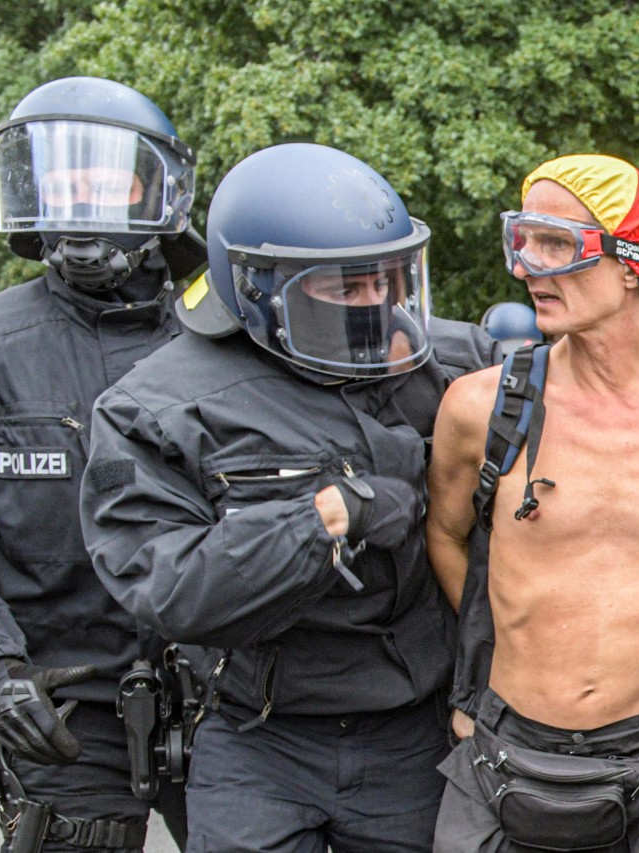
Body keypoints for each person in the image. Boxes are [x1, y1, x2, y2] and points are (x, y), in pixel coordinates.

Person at [79, 142, 494, 852]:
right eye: (344, 289)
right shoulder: (156, 408)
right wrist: (328, 517)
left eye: (387, 280)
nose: (377, 305)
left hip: (413, 728)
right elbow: (174, 587)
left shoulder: (455, 366)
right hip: (256, 736)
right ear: (262, 290)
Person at [0, 77, 201, 851]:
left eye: (104, 180)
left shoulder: (222, 344)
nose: (81, 203)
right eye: (62, 182)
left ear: (155, 188)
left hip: (231, 700)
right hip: (66, 702)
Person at [428, 153, 639, 851]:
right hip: (506, 754)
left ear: (631, 263)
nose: (526, 266)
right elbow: (445, 538)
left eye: (556, 244)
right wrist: (522, 641)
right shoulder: (480, 407)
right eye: (523, 239)